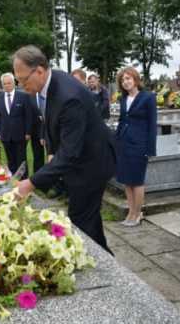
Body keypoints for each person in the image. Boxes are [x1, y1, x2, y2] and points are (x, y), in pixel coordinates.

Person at [13, 45, 116, 254]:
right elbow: (50, 120)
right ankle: (107, 258)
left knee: (80, 222)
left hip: (91, 165)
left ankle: (102, 269)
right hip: (81, 161)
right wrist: (51, 149)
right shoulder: (50, 83)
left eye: (23, 80)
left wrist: (30, 183)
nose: (22, 86)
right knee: (90, 221)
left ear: (39, 71)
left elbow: (70, 153)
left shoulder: (69, 97)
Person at [115, 67, 157, 227]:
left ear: (135, 79)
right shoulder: (123, 99)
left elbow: (152, 125)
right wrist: (116, 140)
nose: (125, 82)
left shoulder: (148, 97)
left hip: (139, 145)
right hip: (123, 144)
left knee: (137, 181)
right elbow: (121, 120)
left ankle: (138, 214)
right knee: (127, 180)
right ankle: (131, 212)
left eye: (128, 78)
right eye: (123, 80)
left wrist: (150, 149)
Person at [0, 72, 32, 178]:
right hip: (5, 135)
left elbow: (28, 116)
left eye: (9, 83)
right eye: (4, 84)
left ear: (14, 83)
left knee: (21, 160)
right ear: (2, 85)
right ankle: (13, 181)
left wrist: (28, 132)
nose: (7, 86)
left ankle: (24, 181)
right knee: (11, 160)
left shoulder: (23, 96)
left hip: (21, 135)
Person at [29, 93, 45, 173]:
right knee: (37, 154)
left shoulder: (49, 93)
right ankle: (39, 174)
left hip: (51, 128)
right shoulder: (29, 96)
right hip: (35, 130)